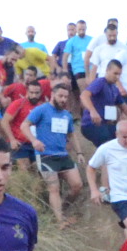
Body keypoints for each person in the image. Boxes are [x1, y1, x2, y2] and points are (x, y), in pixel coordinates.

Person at [24, 84, 85, 218]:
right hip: (45, 155)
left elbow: (71, 135)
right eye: (60, 96)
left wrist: (79, 153)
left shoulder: (66, 115)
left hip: (63, 155)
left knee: (77, 185)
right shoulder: (41, 109)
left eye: (66, 97)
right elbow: (25, 125)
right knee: (54, 188)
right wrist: (34, 141)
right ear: (52, 95)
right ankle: (60, 221)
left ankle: (62, 208)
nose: (63, 99)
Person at [80, 60, 127, 156]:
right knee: (109, 147)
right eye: (115, 73)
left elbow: (125, 107)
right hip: (91, 124)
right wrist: (93, 111)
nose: (117, 77)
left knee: (122, 139)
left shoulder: (115, 89)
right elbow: (84, 95)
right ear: (107, 70)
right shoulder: (100, 82)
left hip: (107, 124)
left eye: (119, 74)